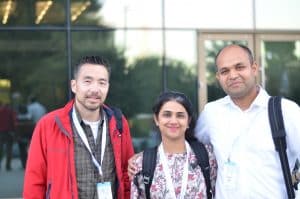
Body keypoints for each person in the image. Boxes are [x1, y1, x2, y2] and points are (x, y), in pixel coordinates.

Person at [195, 44, 300, 199]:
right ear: (218, 77)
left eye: (239, 67)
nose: (233, 75)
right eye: (225, 71)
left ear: (254, 68)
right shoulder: (211, 113)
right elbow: (193, 151)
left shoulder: (286, 111)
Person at [23, 56, 135, 199]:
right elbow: (34, 182)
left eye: (102, 82)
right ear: (74, 85)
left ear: (108, 86)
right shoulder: (49, 125)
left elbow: (128, 175)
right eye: (87, 81)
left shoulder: (119, 123)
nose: (95, 89)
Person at [130, 91, 217, 198]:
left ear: (188, 121)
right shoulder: (141, 163)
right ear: (157, 119)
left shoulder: (207, 156)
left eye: (180, 116)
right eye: (167, 115)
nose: (173, 121)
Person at [0, 101, 16, 171]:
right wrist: (14, 131)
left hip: (0, 132)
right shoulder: (10, 111)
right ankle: (8, 165)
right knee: (9, 149)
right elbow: (13, 121)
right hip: (9, 132)